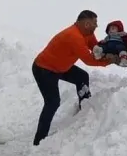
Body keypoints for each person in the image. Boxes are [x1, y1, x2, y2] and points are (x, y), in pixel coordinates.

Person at [31, 10, 120, 146]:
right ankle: (39, 140)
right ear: (86, 24)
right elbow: (90, 60)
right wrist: (110, 61)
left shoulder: (87, 33)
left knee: (82, 77)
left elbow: (95, 47)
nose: (97, 26)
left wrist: (110, 51)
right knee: (52, 102)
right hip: (44, 69)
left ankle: (85, 108)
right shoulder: (74, 37)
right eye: (94, 23)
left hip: (61, 67)